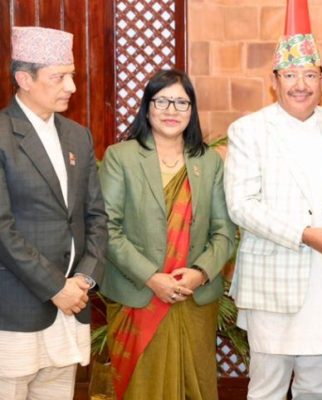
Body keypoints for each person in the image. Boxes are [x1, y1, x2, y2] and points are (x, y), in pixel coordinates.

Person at [223, 0, 322, 398]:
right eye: (290, 75)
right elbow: (241, 204)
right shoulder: (249, 130)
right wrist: (303, 233)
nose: (300, 85)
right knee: (267, 389)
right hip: (274, 278)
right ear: (274, 81)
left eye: (309, 75)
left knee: (319, 389)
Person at [98, 68, 236, 399]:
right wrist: (151, 277)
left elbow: (224, 231)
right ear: (147, 108)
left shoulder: (208, 162)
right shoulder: (121, 157)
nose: (171, 111)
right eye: (162, 101)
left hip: (193, 299)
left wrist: (200, 273)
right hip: (139, 296)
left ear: (192, 110)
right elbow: (106, 228)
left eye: (181, 102)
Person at [0, 26, 107, 398]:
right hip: (16, 307)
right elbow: (2, 229)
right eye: (58, 77)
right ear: (24, 79)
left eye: (71, 76)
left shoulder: (78, 135)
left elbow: (96, 216)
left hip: (72, 303)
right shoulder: (2, 135)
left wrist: (84, 279)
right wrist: (56, 287)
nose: (71, 87)